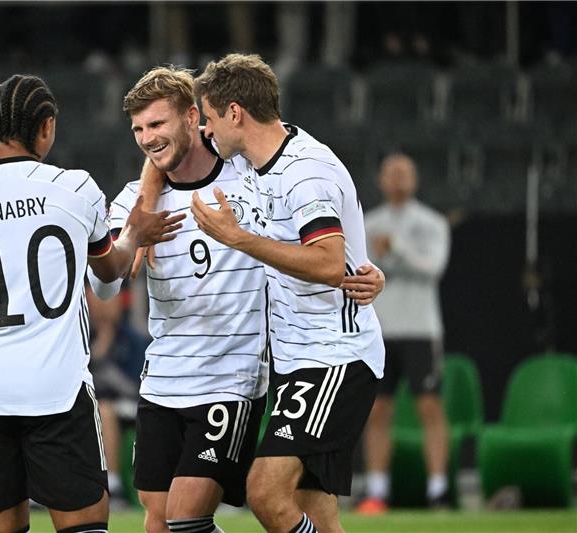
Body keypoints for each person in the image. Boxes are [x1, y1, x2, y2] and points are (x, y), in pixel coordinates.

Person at [93, 66, 384, 533]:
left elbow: (323, 238)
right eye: (139, 129)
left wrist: (363, 270)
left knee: (199, 512)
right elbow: (105, 283)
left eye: (158, 125)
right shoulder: (135, 200)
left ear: (195, 118)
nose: (147, 139)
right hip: (165, 376)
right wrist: (134, 229)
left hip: (237, 377)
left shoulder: (250, 171)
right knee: (158, 519)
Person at [0, 73, 185, 533]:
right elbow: (109, 272)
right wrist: (134, 234)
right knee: (85, 527)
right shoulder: (76, 189)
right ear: (47, 127)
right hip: (58, 390)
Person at [189, 53, 385, 533]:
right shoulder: (259, 160)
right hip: (298, 358)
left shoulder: (304, 172)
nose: (206, 132)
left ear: (236, 113)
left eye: (210, 119)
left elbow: (324, 261)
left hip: (333, 357)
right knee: (313, 510)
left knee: (265, 491)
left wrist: (239, 239)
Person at [358, 153, 451, 512]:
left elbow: (434, 267)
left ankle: (438, 490)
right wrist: (382, 255)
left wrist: (396, 248)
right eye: (390, 173)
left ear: (414, 179)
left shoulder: (432, 223)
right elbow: (359, 268)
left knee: (430, 407)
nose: (397, 179)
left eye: (404, 173)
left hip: (420, 329)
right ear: (381, 179)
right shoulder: (368, 222)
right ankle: (378, 491)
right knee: (378, 410)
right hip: (380, 330)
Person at [85, 284, 148, 508]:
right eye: (96, 296)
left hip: (127, 406)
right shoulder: (78, 337)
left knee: (105, 409)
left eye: (109, 297)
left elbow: (139, 387)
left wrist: (103, 354)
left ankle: (113, 486)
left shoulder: (135, 340)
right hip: (83, 406)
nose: (103, 304)